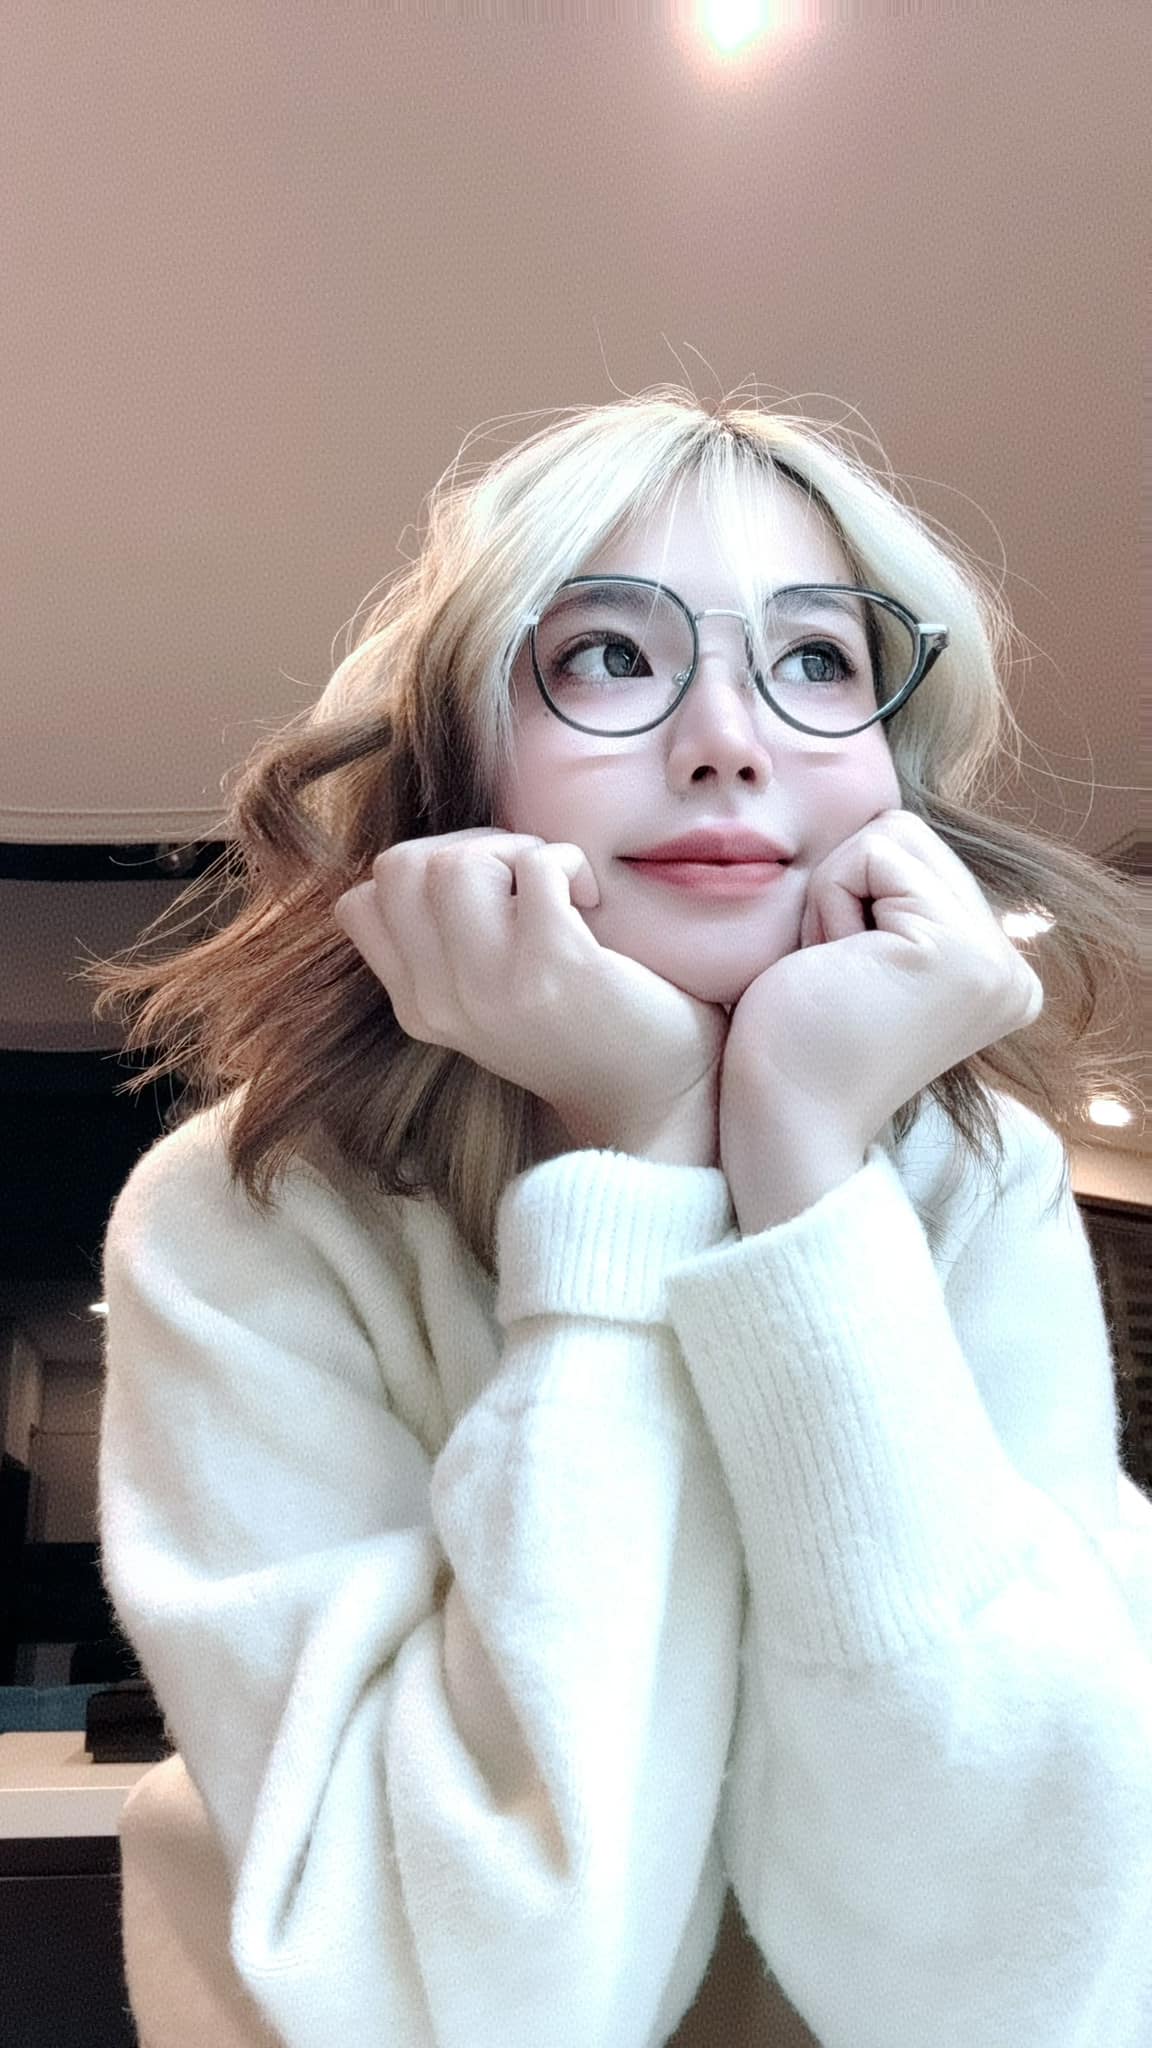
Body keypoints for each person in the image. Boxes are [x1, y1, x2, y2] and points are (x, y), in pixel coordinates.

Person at [86, 389, 1151, 2048]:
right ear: (456, 771)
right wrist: (640, 1170)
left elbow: (1017, 1981)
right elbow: (466, 2005)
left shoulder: (976, 1176)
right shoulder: (251, 1217)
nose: (731, 739)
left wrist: (806, 1174)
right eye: (604, 654)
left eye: (818, 660)